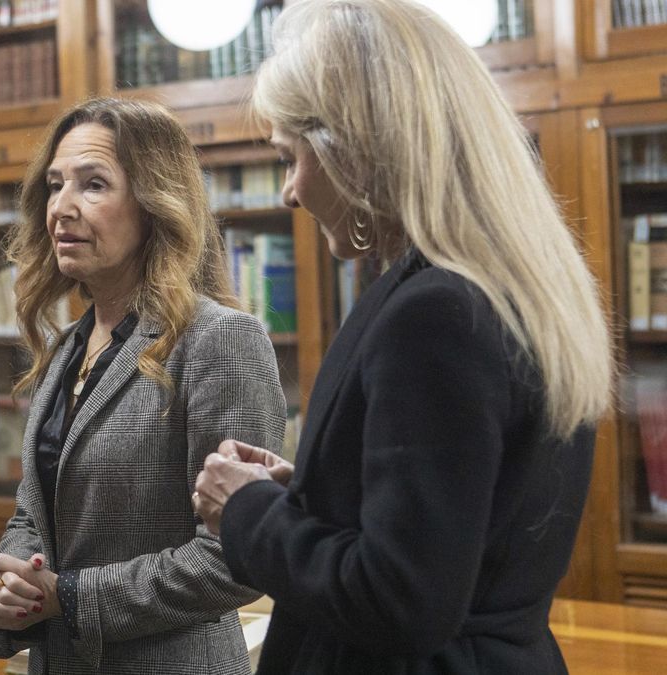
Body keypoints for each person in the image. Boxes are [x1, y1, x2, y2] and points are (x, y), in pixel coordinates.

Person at [193, 1, 614, 672]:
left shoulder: (435, 314)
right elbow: (461, 516)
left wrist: (247, 510)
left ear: (352, 150)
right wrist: (311, 491)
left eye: (290, 158)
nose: (289, 192)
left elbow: (400, 596)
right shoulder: (504, 286)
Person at [0, 97, 289, 673]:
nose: (62, 207)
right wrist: (12, 585)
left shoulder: (220, 340)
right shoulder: (65, 349)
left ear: (156, 204)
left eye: (94, 184)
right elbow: (36, 512)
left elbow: (235, 556)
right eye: (55, 185)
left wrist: (72, 597)